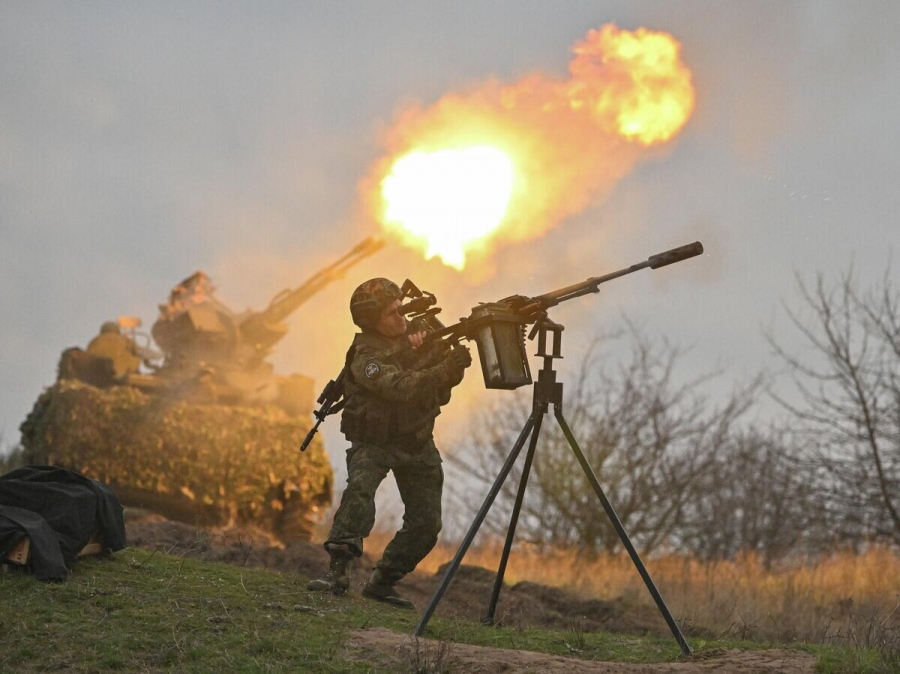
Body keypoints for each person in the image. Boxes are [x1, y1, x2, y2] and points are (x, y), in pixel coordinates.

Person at [307, 277, 472, 608]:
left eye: (402, 310)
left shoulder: (416, 339)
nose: (402, 317)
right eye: (392, 313)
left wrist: (448, 364)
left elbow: (438, 387)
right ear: (372, 321)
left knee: (426, 524)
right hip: (375, 442)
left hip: (416, 440)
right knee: (360, 498)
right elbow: (400, 387)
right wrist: (442, 369)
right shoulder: (365, 356)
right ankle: (337, 574)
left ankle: (382, 583)